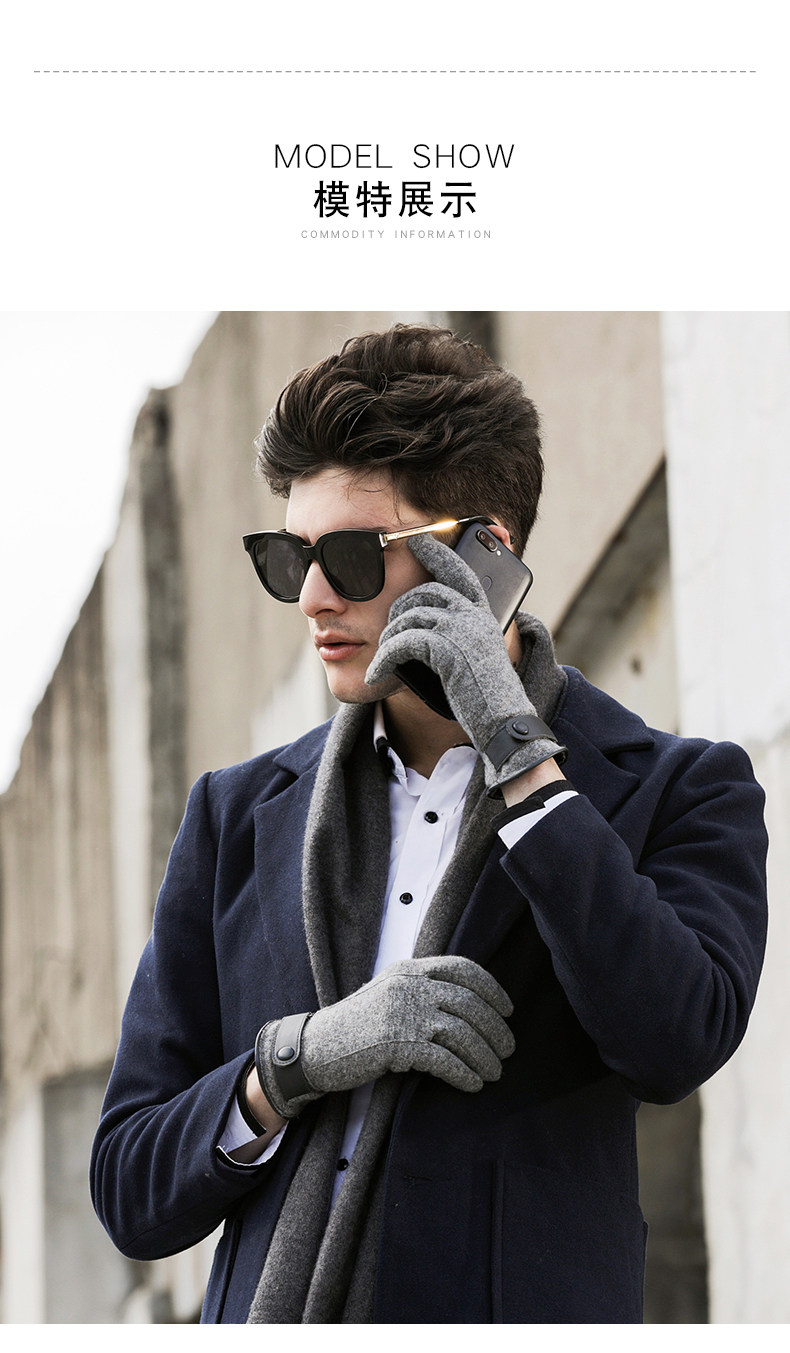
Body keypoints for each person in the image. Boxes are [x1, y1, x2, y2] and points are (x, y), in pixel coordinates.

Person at [91, 323, 768, 1324]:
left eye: (352, 556)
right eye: (290, 556)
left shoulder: (680, 788)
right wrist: (298, 1060)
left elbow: (676, 1040)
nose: (312, 596)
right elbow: (129, 1185)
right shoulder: (234, 816)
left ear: (485, 554)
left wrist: (516, 746)